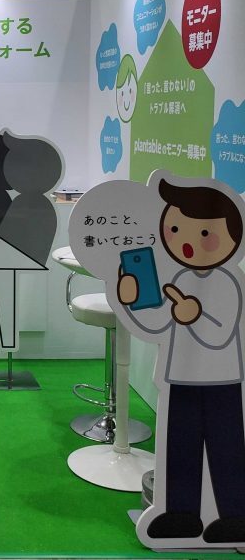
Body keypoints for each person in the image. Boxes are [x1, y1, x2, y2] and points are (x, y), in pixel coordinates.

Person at [118, 179, 245, 544]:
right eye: (175, 230)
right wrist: (131, 300)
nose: (187, 241)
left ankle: (235, 516)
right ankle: (181, 514)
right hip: (180, 377)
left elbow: (221, 333)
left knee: (226, 447)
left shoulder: (229, 280)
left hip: (223, 381)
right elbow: (157, 323)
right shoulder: (178, 276)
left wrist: (195, 314)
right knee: (180, 446)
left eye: (204, 233)